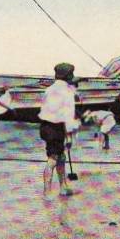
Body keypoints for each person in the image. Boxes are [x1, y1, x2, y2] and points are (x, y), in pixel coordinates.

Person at [39, 62, 78, 197]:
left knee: (61, 157)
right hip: (57, 127)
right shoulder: (67, 91)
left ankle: (62, 187)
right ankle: (47, 192)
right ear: (68, 75)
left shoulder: (49, 89)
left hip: (45, 126)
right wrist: (69, 137)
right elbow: (68, 116)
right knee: (53, 159)